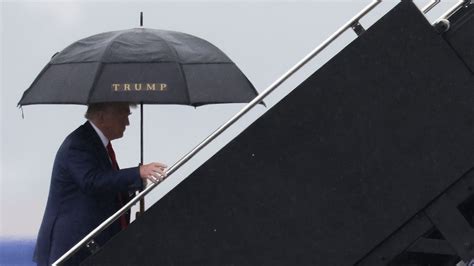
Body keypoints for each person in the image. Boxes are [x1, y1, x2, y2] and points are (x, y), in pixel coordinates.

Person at [33, 102, 167, 266]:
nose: (127, 122)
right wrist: (137, 173)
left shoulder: (97, 144)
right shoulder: (78, 144)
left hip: (89, 247)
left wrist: (134, 189)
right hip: (71, 249)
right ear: (103, 117)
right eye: (123, 115)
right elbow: (92, 181)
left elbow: (106, 188)